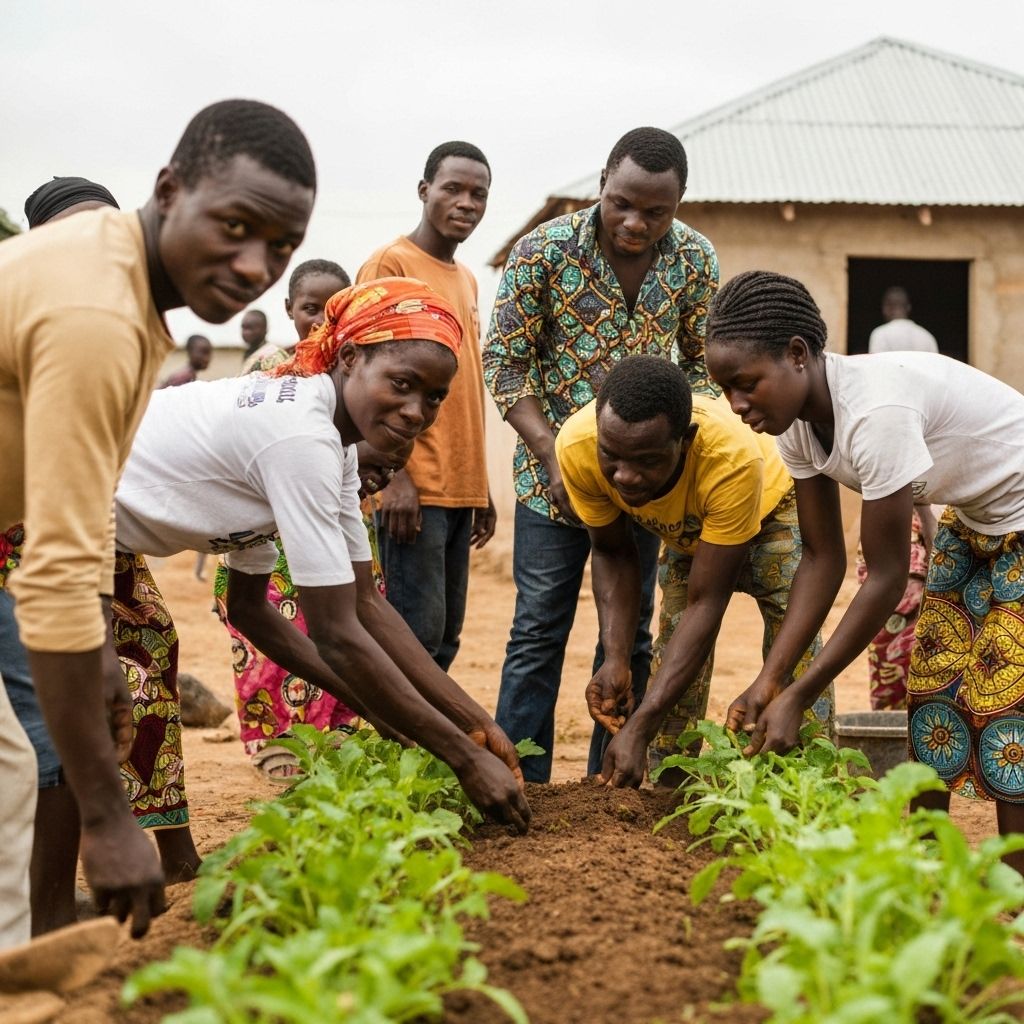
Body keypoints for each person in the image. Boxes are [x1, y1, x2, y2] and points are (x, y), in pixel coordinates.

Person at [0, 98, 317, 943]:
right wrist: (109, 818)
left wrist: (103, 642)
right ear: (169, 189)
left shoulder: (125, 288)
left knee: (11, 775)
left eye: (280, 248)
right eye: (236, 226)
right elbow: (57, 570)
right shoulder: (97, 315)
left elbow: (79, 496)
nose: (257, 266)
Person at [114, 278, 530, 831]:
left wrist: (475, 721)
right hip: (40, 506)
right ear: (350, 358)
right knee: (82, 702)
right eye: (402, 384)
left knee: (144, 667)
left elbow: (343, 604)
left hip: (100, 533)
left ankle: (167, 864)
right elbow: (336, 632)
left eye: (434, 397)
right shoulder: (300, 439)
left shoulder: (332, 447)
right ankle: (49, 905)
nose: (415, 412)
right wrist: (462, 756)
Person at [704, 270, 1024, 869]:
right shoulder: (795, 425)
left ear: (797, 355)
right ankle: (928, 873)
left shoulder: (876, 411)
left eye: (746, 384)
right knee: (932, 690)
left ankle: (1015, 892)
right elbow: (822, 560)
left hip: (1022, 514)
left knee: (1006, 704)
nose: (737, 405)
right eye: (725, 389)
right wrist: (771, 679)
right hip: (972, 520)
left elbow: (884, 576)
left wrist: (801, 693)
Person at [484, 126, 719, 781]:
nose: (635, 223)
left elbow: (702, 366)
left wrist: (676, 450)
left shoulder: (696, 260)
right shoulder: (543, 251)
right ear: (601, 187)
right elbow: (506, 364)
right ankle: (518, 777)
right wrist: (553, 454)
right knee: (538, 630)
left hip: (646, 484)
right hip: (550, 480)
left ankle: (611, 779)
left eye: (656, 211)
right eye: (621, 203)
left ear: (680, 203)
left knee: (629, 633)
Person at [555, 356, 831, 787]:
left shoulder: (729, 458)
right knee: (675, 656)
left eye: (646, 460)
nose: (624, 476)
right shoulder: (577, 447)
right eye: (612, 456)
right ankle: (671, 790)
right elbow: (613, 552)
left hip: (772, 508)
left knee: (793, 649)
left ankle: (812, 787)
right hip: (691, 531)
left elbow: (708, 601)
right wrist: (615, 657)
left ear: (685, 441)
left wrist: (638, 726)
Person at [211, 258, 364, 781]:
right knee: (269, 643)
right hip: (269, 535)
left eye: (333, 309)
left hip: (333, 524)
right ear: (288, 310)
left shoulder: (355, 367)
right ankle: (276, 746)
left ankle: (338, 739)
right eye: (309, 309)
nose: (321, 320)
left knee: (340, 626)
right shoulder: (266, 367)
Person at [357, 141, 495, 671]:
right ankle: (394, 752)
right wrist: (393, 476)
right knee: (413, 638)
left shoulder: (466, 278)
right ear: (424, 191)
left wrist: (478, 485)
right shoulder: (391, 263)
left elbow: (467, 388)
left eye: (478, 194)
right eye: (453, 189)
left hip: (459, 488)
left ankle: (419, 751)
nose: (466, 202)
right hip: (413, 488)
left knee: (444, 639)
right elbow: (363, 374)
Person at [868, 286, 939, 355]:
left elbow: (876, 365)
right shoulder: (927, 336)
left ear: (886, 308)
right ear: (908, 307)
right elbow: (935, 366)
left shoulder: (880, 334)